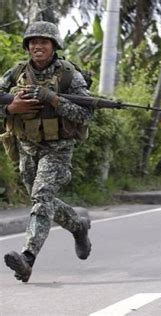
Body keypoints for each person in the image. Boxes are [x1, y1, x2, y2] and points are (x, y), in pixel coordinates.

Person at [0, 21, 93, 282]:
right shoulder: (16, 72)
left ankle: (27, 258)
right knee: (43, 201)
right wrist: (10, 109)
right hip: (27, 148)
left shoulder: (68, 75)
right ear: (27, 46)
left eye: (44, 42)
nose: (37, 46)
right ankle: (78, 226)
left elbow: (86, 114)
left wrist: (53, 99)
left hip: (58, 149)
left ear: (54, 46)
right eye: (33, 42)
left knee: (41, 196)